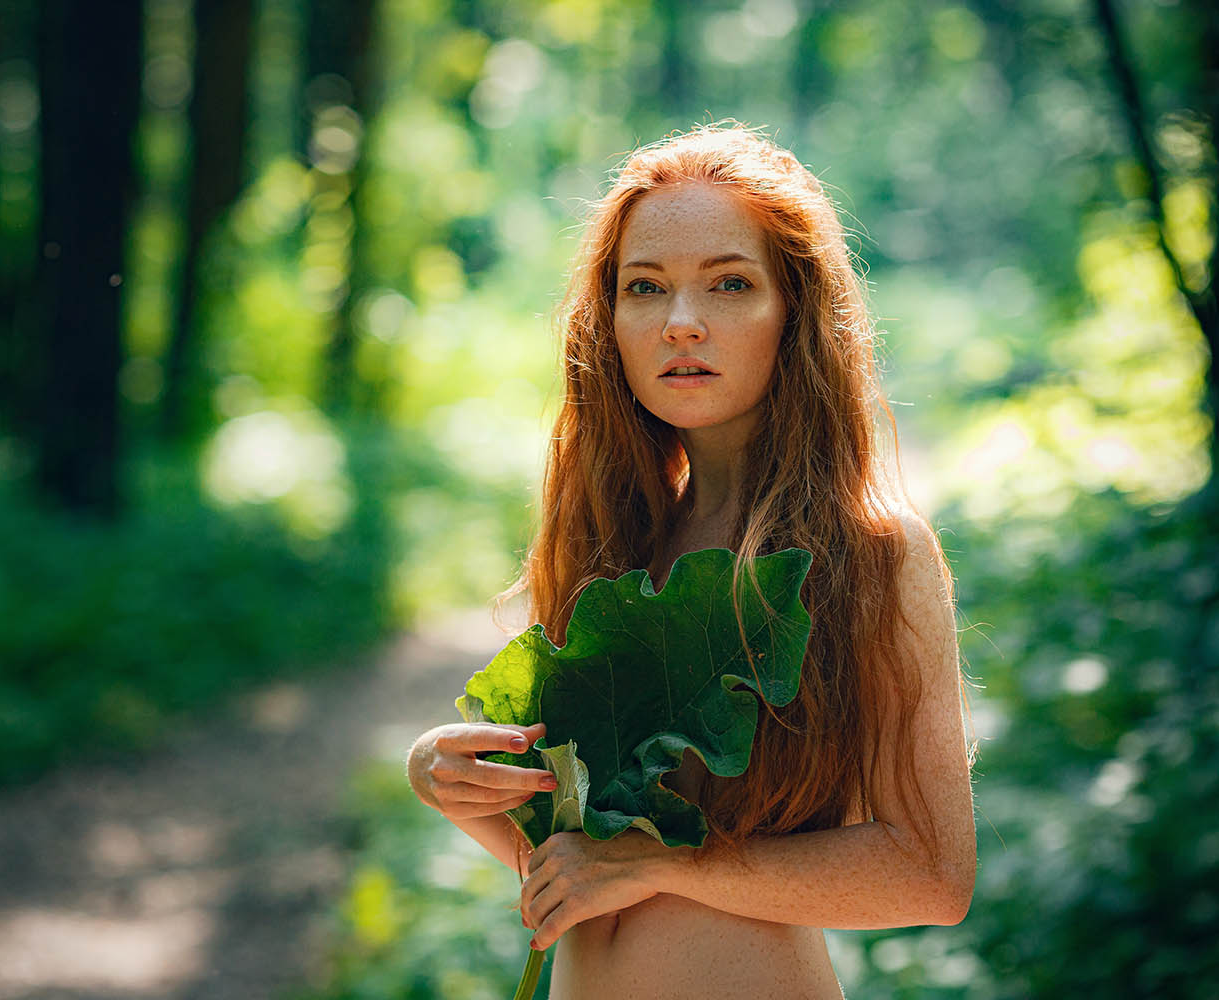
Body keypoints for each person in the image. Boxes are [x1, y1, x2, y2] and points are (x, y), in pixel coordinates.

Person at [406, 123, 976, 998]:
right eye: (645, 288)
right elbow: (584, 865)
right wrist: (454, 782)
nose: (680, 323)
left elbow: (931, 873)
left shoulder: (869, 552)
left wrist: (671, 868)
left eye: (730, 284)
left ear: (797, 311)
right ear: (611, 319)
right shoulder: (609, 545)